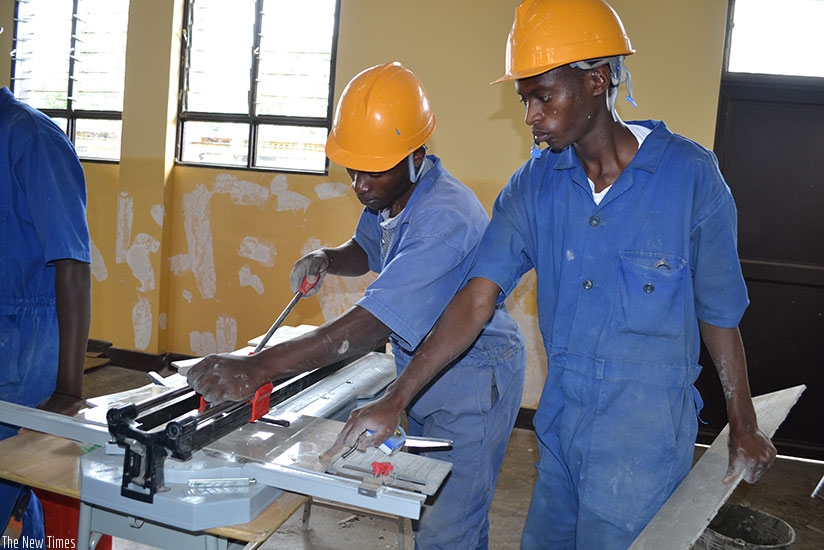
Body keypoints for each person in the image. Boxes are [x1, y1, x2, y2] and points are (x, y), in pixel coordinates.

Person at [328, 2, 778, 549]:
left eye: (544, 96)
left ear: (596, 81)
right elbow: (476, 299)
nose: (531, 116)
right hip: (562, 431)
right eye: (525, 100)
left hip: (645, 441)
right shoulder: (533, 187)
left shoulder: (689, 177)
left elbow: (719, 313)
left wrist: (742, 422)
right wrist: (396, 398)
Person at [187, 62, 526, 550]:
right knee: (428, 505)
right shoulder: (394, 197)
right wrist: (327, 258)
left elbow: (369, 326)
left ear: (416, 155)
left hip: (472, 377)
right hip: (427, 368)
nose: (360, 184)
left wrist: (259, 366)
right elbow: (367, 249)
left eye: (373, 171)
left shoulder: (444, 217)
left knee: (450, 525)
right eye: (353, 168)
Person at [0, 85, 92, 543]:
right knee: (13, 491)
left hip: (20, 354)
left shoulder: (31, 138)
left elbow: (73, 263)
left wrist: (68, 389)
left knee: (11, 473)